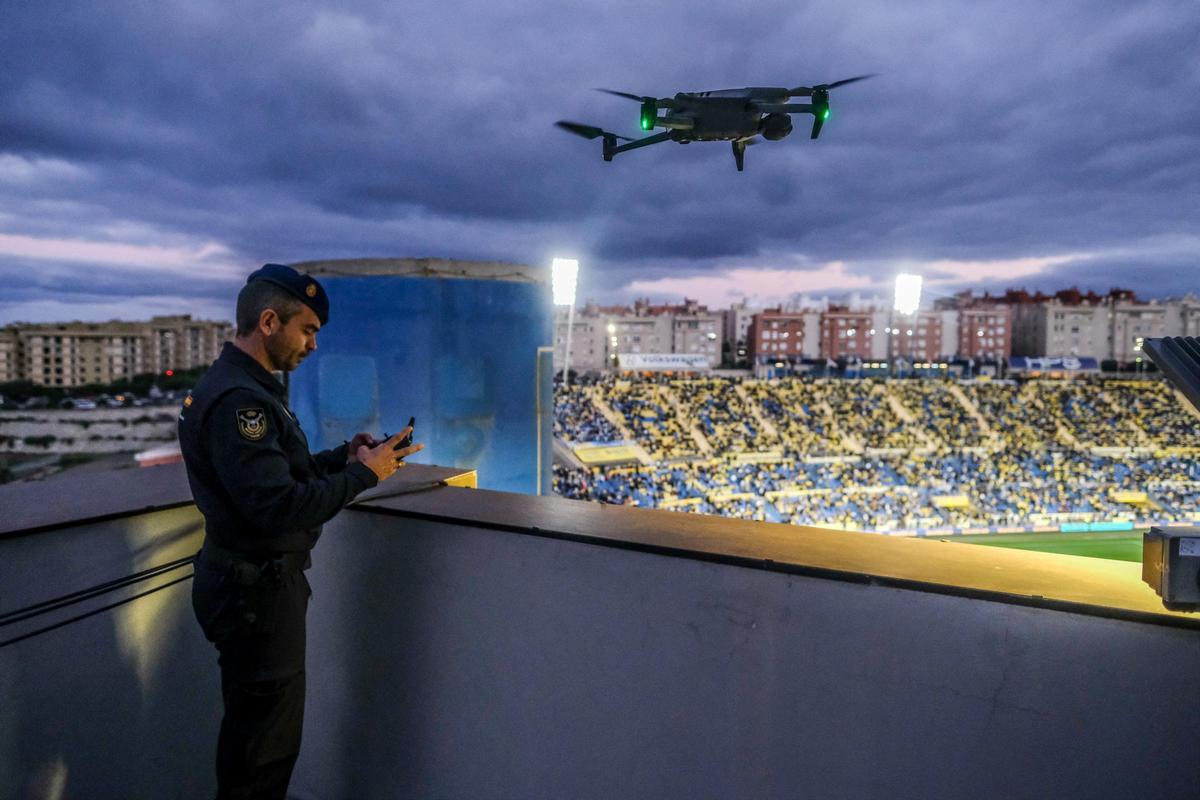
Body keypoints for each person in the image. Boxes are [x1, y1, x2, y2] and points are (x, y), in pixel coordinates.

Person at [178, 263, 422, 799]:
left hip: (252, 588)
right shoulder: (242, 402)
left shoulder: (242, 388)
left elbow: (281, 476)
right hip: (256, 596)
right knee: (263, 755)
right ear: (269, 322)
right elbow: (280, 507)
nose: (313, 345)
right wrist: (366, 475)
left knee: (256, 741)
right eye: (307, 330)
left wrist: (346, 458)